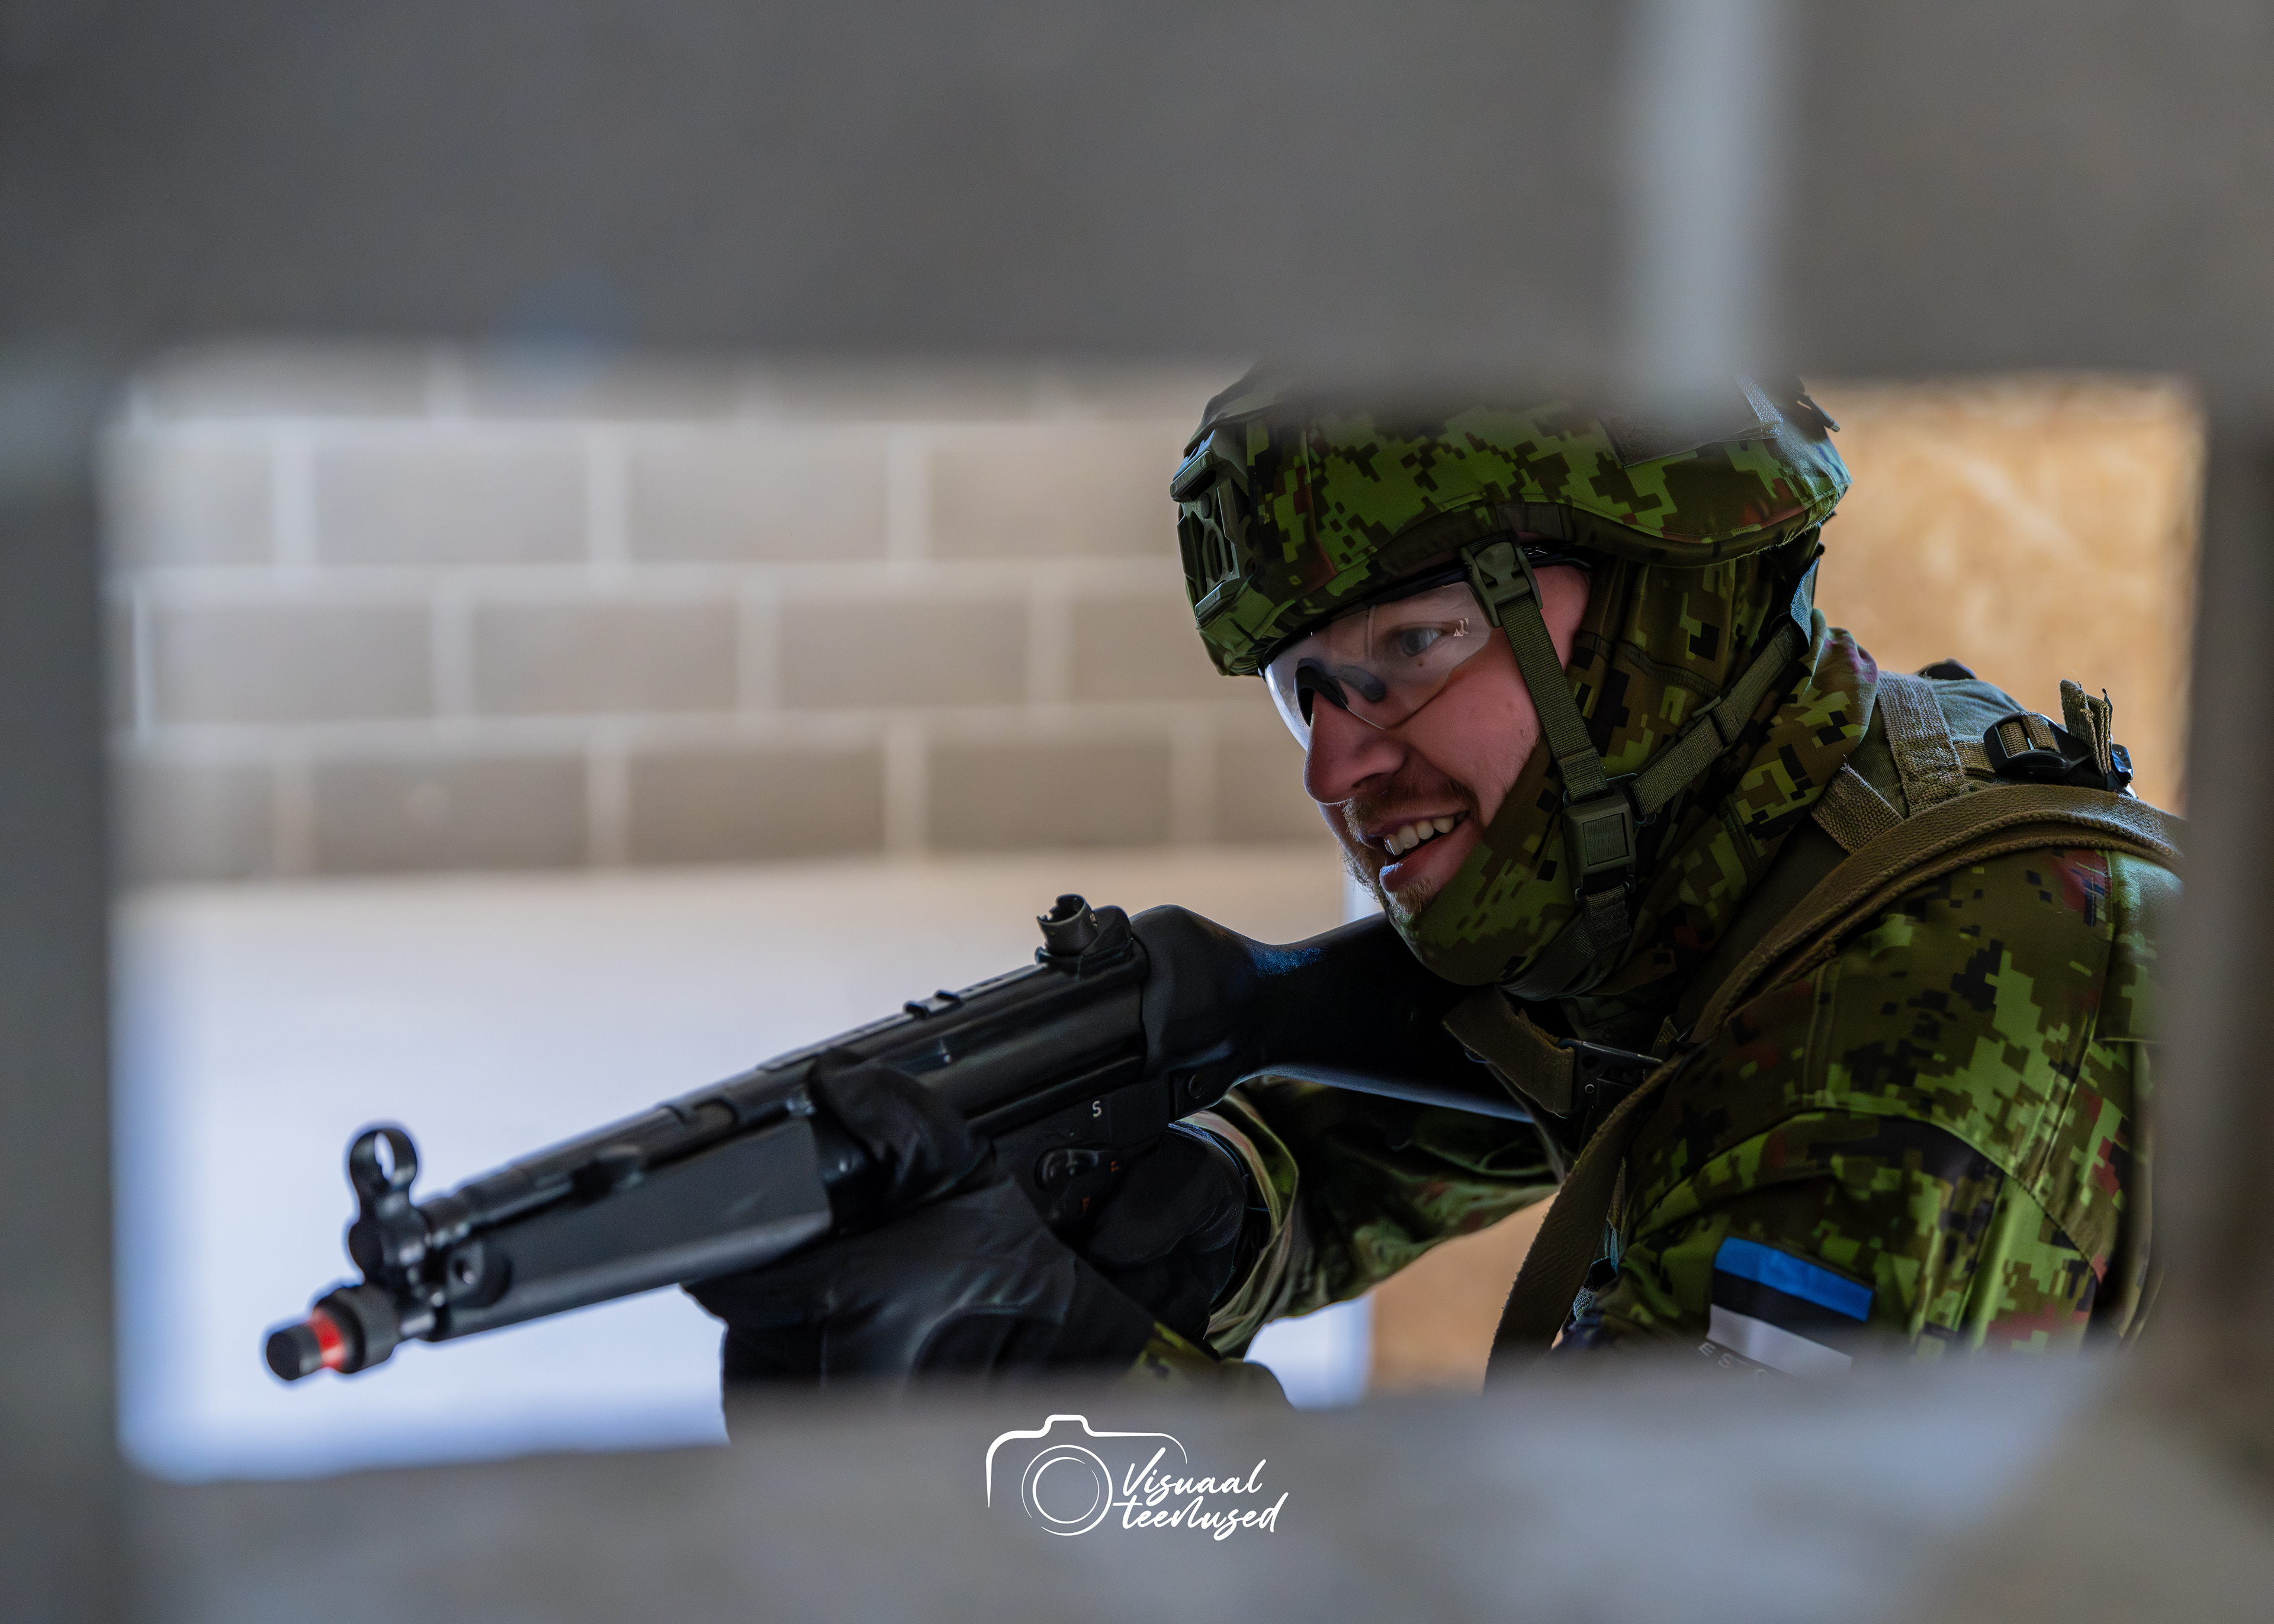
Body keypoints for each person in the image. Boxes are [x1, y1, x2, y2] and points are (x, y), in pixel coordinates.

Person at [688, 369, 2177, 1386]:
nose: (1336, 769)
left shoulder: (1886, 1102)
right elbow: (1565, 1058)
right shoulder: (1822, 798)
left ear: (1661, 615)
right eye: (1309, 691)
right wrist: (1230, 1195)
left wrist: (1064, 1385)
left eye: (1415, 647)